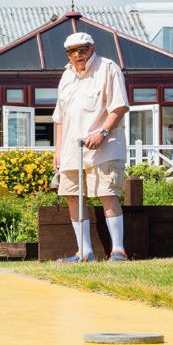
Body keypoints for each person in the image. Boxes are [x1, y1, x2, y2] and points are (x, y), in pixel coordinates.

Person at [53, 32, 130, 262]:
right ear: (68, 54)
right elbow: (59, 119)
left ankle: (118, 251)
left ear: (92, 49)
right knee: (73, 197)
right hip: (71, 150)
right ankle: (84, 252)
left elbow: (119, 107)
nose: (78, 55)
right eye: (72, 51)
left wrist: (102, 133)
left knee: (108, 194)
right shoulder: (66, 76)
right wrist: (58, 151)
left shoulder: (108, 68)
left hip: (105, 148)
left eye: (83, 49)